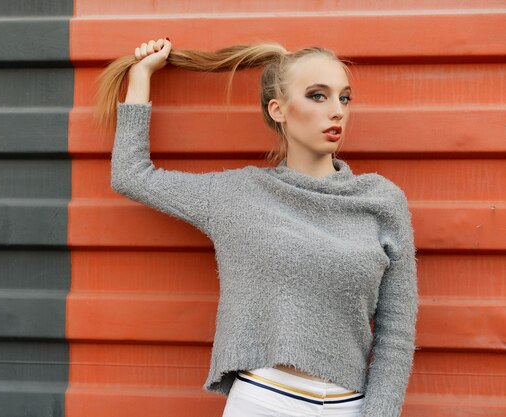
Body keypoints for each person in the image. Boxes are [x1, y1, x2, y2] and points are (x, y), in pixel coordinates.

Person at [95, 38, 419, 417]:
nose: (337, 112)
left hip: (350, 406)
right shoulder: (237, 196)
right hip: (263, 401)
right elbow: (131, 176)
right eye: (318, 96)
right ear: (278, 110)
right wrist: (140, 75)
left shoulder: (381, 201)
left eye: (344, 98)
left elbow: (396, 330)